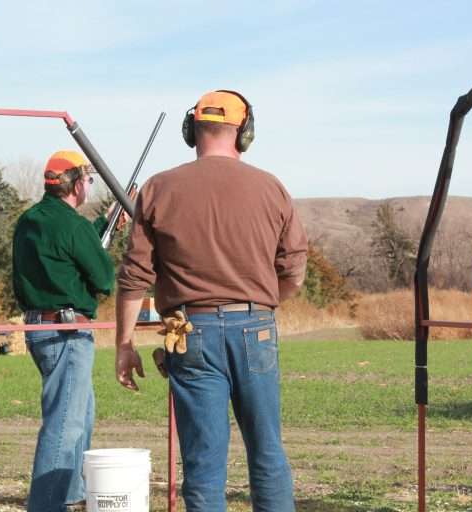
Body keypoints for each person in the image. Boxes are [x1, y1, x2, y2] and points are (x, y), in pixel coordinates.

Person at [115, 89, 308, 512]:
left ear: (192, 130)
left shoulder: (158, 187)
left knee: (203, 465)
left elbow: (134, 275)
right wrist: (261, 304)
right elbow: (294, 268)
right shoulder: (271, 187)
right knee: (267, 454)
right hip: (256, 329)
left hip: (190, 334)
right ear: (244, 133)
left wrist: (124, 344)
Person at [13, 150, 115, 511]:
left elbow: (62, 256)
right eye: (87, 180)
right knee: (65, 426)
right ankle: (46, 505)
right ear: (74, 184)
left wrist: (100, 228)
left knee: (81, 414)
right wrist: (99, 242)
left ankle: (71, 494)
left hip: (39, 329)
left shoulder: (29, 220)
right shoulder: (73, 226)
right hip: (68, 333)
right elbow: (104, 279)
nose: (88, 186)